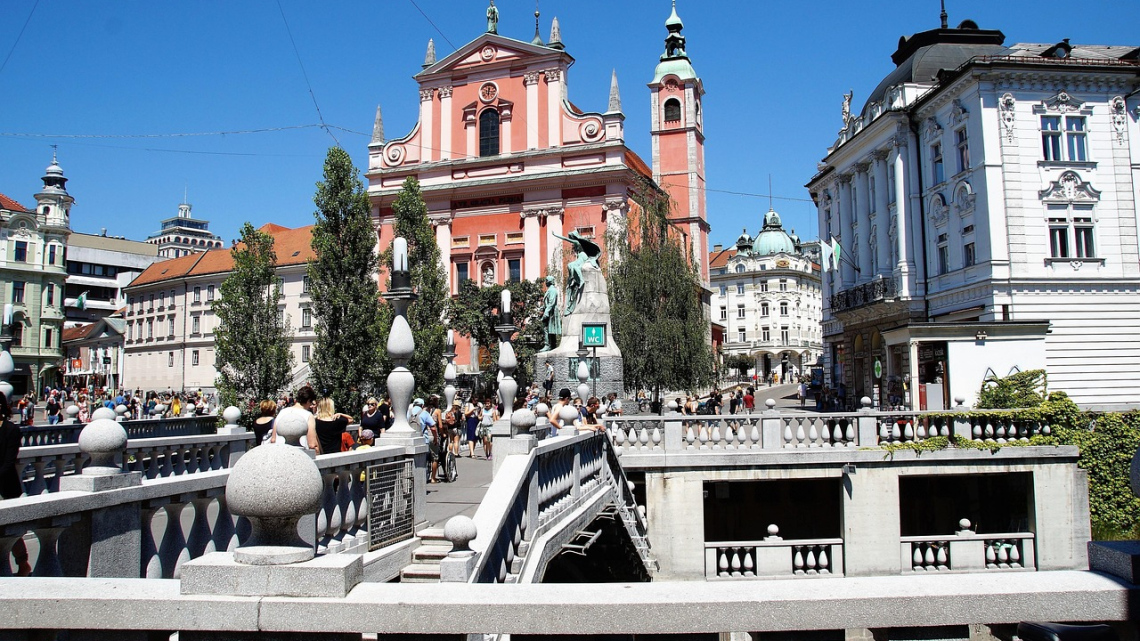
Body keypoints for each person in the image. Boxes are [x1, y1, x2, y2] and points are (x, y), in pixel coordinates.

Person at [539, 276, 562, 352]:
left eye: (546, 281)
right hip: (550, 310)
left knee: (547, 329)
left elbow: (551, 302)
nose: (545, 282)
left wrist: (546, 312)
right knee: (550, 329)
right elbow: (547, 302)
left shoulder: (552, 290)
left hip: (551, 312)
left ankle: (548, 345)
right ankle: (552, 345)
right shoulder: (550, 290)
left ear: (549, 281)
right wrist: (542, 308)